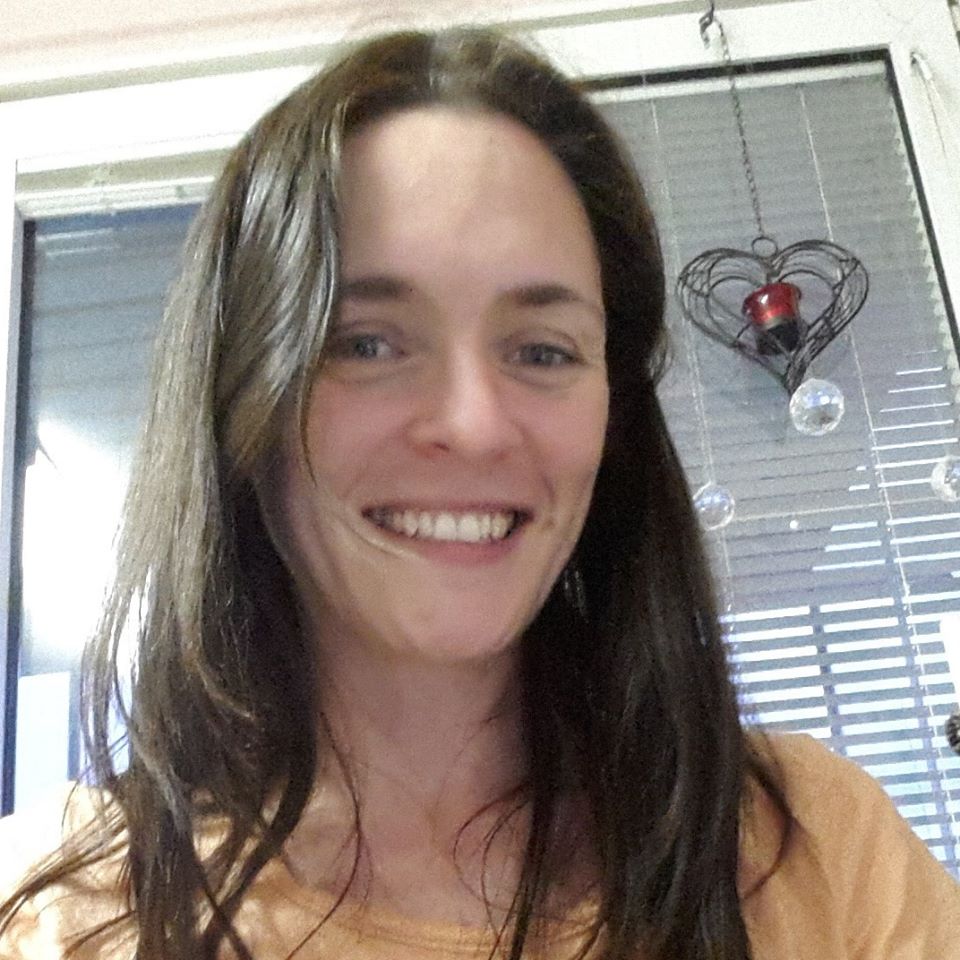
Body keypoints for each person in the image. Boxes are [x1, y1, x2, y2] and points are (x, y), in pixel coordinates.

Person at [1, 26, 958, 960]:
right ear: (239, 394)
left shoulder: (816, 853)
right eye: (366, 343)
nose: (475, 423)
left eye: (543, 351)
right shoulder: (55, 919)